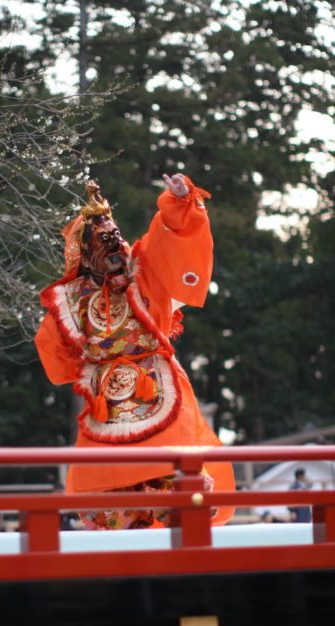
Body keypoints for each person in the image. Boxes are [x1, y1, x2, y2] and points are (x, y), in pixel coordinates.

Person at [35, 173, 235, 529]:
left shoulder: (143, 273)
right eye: (103, 240)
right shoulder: (71, 298)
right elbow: (53, 350)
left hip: (155, 382)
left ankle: (181, 548)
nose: (114, 245)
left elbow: (169, 243)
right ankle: (123, 554)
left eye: (116, 236)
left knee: (176, 477)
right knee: (110, 491)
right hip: (104, 401)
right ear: (84, 250)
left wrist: (178, 202)